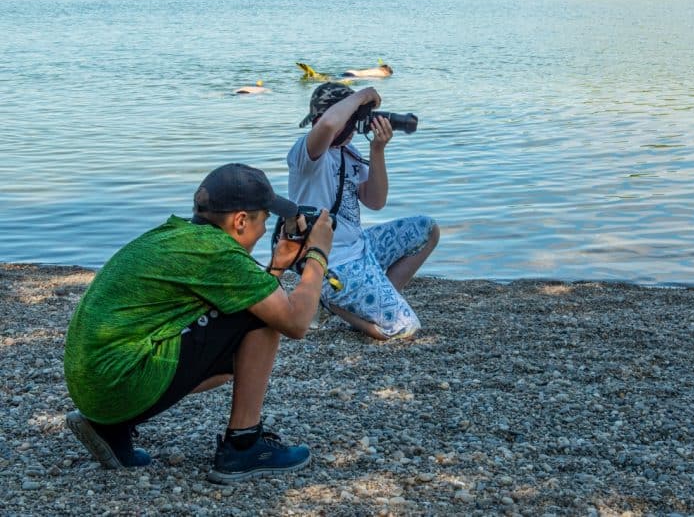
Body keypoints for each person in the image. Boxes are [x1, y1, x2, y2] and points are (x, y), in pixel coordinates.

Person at [63, 163, 334, 483]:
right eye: (264, 219)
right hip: (117, 383)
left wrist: (276, 265)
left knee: (249, 316)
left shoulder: (182, 236)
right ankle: (243, 445)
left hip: (95, 386)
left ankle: (109, 428)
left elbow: (250, 296)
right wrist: (318, 252)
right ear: (241, 221)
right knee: (259, 319)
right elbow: (295, 322)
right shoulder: (217, 254)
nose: (264, 230)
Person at [287, 82, 439, 340]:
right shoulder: (308, 154)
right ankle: (334, 304)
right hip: (331, 262)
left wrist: (377, 150)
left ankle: (372, 300)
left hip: (360, 247)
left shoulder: (349, 152)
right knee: (405, 328)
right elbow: (326, 126)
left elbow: (376, 201)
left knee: (426, 229)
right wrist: (363, 95)